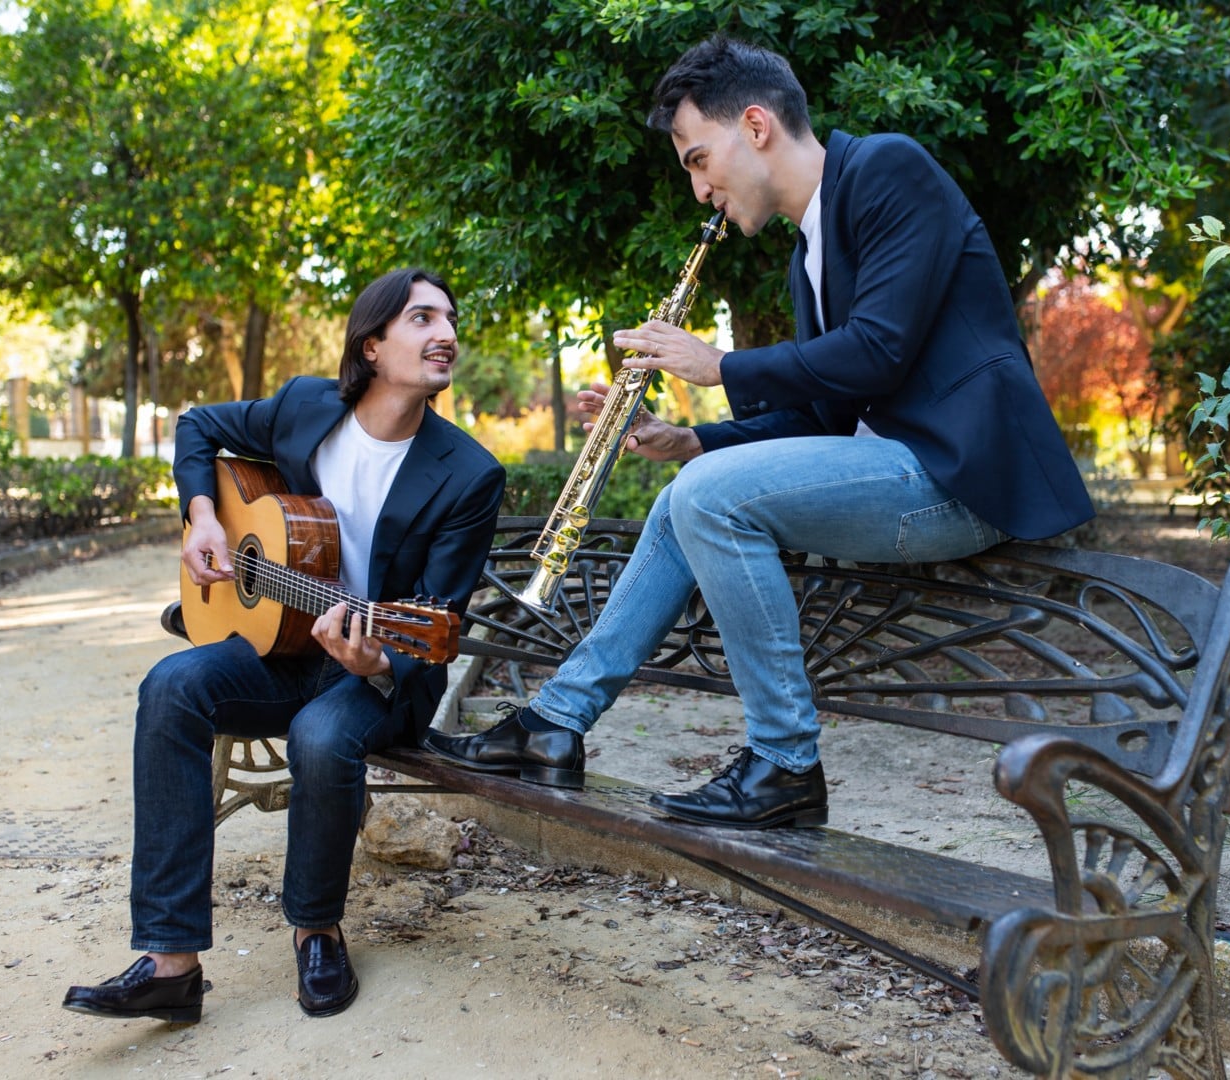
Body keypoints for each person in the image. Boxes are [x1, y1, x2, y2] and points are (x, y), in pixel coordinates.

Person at [424, 36, 1093, 829]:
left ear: (754, 125)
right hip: (896, 473)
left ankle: (783, 762)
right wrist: (694, 441)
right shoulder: (806, 254)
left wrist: (721, 366)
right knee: (688, 495)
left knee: (706, 500)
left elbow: (877, 350)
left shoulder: (887, 168)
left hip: (961, 478)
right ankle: (551, 724)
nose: (701, 189)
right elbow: (821, 417)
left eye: (699, 160)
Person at [63, 268, 505, 1023]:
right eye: (422, 319)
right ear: (371, 345)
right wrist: (204, 518)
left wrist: (380, 659)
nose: (447, 335)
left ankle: (316, 928)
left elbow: (435, 621)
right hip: (280, 645)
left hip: (376, 675)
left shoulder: (467, 473)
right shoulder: (306, 408)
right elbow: (199, 424)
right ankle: (171, 961)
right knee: (170, 685)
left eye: (451, 320)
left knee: (323, 730)